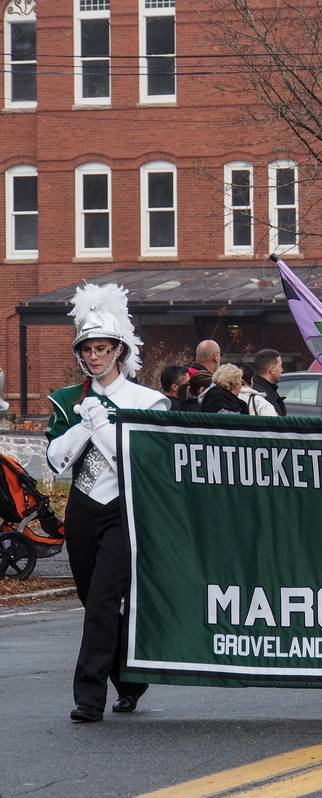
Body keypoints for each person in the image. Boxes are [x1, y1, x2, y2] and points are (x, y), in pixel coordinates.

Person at [45, 283, 169, 722]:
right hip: (81, 508)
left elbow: (146, 462)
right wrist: (83, 424)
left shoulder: (147, 401)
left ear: (118, 350)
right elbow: (54, 461)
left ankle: (88, 698)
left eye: (102, 348)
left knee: (102, 602)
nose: (94, 356)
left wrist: (102, 425)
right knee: (89, 598)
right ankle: (130, 679)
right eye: (88, 349)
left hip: (124, 509)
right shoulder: (67, 400)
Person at [251, 349, 287, 416]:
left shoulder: (265, 389)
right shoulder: (261, 394)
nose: (282, 370)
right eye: (280, 366)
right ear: (272, 370)